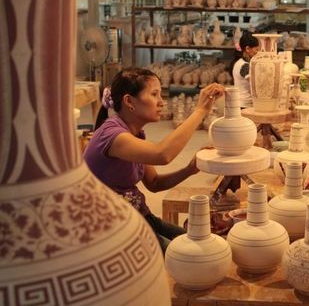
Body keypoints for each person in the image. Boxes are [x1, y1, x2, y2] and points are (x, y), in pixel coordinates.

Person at [84, 67, 225, 254]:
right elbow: (162, 154)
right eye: (154, 94)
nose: (161, 102)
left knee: (200, 243)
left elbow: (154, 183)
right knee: (184, 257)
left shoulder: (134, 133)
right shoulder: (113, 135)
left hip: (138, 215)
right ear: (129, 101)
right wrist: (200, 111)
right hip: (111, 225)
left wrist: (189, 169)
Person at [231, 30, 259, 108]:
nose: (258, 53)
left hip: (240, 104)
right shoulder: (244, 66)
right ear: (247, 49)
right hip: (244, 105)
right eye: (257, 50)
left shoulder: (239, 62)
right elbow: (256, 86)